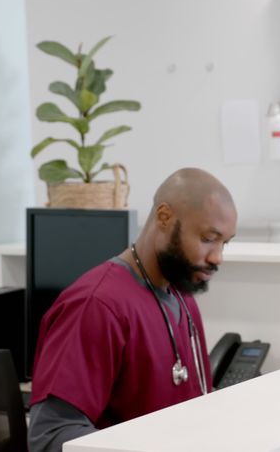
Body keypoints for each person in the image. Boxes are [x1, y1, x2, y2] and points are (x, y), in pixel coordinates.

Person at [28, 168, 238, 452]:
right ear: (164, 217)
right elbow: (50, 436)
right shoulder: (96, 305)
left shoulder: (181, 298)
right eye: (208, 238)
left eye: (224, 243)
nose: (217, 257)